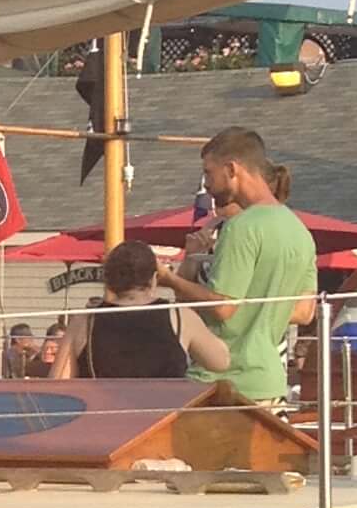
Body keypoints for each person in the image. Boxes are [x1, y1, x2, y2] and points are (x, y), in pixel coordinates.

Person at [159, 126, 319, 403]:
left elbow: (223, 307)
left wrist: (169, 279)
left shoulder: (240, 227)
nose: (205, 184)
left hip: (221, 384)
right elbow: (306, 312)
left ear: (232, 169)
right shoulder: (300, 231)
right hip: (269, 382)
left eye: (208, 173)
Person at [50, 242, 189, 381]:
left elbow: (59, 387)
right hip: (169, 402)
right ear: (154, 279)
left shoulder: (83, 323)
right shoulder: (180, 317)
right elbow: (211, 369)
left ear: (108, 281)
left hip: (104, 402)